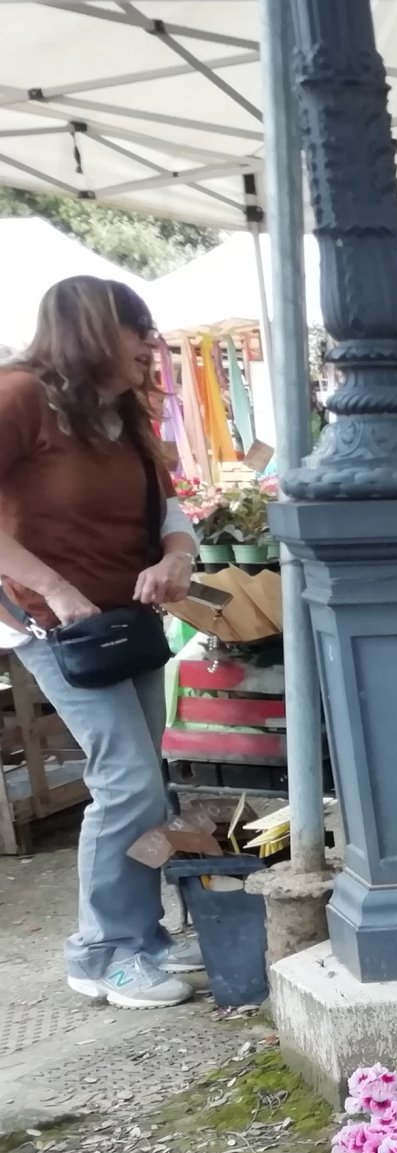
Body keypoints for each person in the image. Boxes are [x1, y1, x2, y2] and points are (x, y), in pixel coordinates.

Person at [0, 277, 202, 1007]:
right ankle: (99, 952)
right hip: (50, 626)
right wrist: (52, 588)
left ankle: (141, 937)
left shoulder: (127, 416)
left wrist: (175, 557)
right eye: (137, 328)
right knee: (127, 781)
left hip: (123, 623)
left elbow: (172, 509)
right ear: (89, 330)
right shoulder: (21, 396)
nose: (150, 344)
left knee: (147, 780)